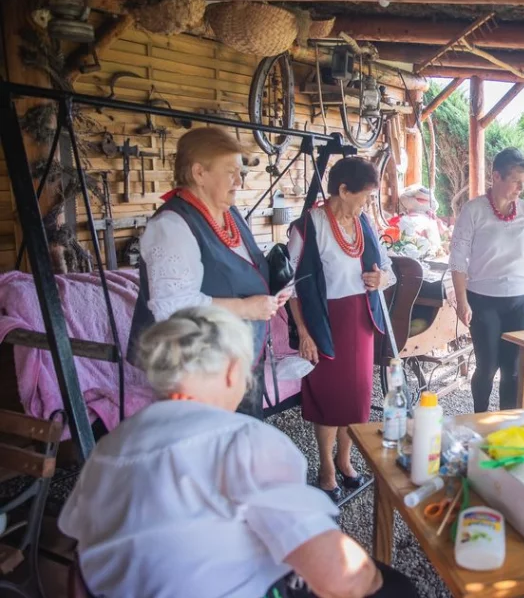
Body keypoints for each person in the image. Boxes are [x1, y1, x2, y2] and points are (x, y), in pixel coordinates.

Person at [60, 306, 419, 598]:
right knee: (395, 588)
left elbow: (79, 563)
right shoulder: (241, 441)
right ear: (233, 370)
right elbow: (341, 577)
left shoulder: (109, 446)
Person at [128, 127, 289, 419]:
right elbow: (172, 305)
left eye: (241, 172)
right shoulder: (172, 226)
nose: (239, 181)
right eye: (231, 171)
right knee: (210, 452)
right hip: (196, 372)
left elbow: (237, 268)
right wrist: (245, 308)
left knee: (242, 445)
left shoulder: (230, 214)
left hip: (236, 362)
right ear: (199, 173)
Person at [287, 157, 395, 504]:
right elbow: (289, 286)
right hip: (326, 321)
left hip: (360, 319)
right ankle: (326, 470)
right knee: (329, 400)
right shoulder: (308, 227)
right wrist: (304, 332)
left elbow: (388, 269)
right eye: (363, 196)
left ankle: (345, 462)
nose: (367, 204)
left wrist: (381, 279)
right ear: (343, 190)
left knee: (356, 397)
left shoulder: (363, 223)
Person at [449, 147, 524, 413]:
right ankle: (479, 416)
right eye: (516, 181)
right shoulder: (474, 210)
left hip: (521, 299)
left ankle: (505, 422)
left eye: (523, 182)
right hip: (484, 300)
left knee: (513, 370)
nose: (520, 188)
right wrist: (462, 301)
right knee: (487, 366)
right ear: (497, 177)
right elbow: (458, 259)